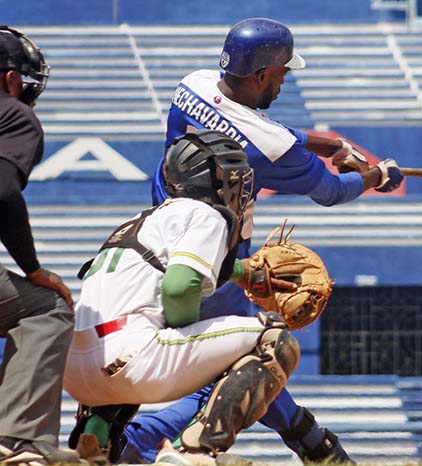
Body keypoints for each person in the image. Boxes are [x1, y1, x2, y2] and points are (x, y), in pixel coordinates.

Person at [118, 17, 404, 464]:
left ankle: (315, 444)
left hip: (156, 235)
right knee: (248, 366)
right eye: (282, 73)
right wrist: (374, 175)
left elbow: (249, 123)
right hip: (212, 256)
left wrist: (327, 144)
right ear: (260, 75)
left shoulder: (191, 85)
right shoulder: (268, 146)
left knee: (240, 361)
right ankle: (141, 441)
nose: (285, 80)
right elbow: (330, 191)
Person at [65, 129, 303, 466]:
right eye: (229, 172)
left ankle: (96, 437)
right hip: (133, 360)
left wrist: (243, 272)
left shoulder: (140, 221)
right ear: (210, 177)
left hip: (77, 372)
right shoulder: (206, 214)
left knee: (131, 331)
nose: (236, 182)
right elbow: (179, 286)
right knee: (275, 339)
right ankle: (193, 452)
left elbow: (172, 265)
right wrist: (186, 330)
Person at [0, 26, 80, 465]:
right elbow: (2, 192)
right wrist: (32, 268)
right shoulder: (14, 114)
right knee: (45, 310)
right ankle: (17, 442)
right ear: (11, 79)